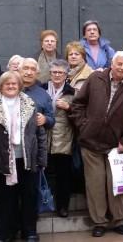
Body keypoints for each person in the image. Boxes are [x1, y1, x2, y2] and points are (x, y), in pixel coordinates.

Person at [69, 51, 123, 237]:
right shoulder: (95, 78)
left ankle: (118, 220)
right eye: (120, 64)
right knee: (95, 185)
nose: (122, 68)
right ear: (112, 63)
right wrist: (83, 126)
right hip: (90, 142)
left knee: (117, 185)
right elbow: (77, 104)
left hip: (116, 146)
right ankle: (99, 222)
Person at [0, 71, 47, 242]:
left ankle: (30, 232)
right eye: (7, 84)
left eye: (14, 84)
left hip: (27, 160)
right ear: (0, 86)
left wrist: (41, 158)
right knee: (4, 200)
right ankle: (3, 234)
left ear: (20, 86)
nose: (11, 86)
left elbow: (39, 133)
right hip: (2, 161)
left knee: (29, 198)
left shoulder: (30, 103)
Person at [42, 59, 76, 218]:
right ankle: (44, 203)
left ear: (66, 75)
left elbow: (79, 115)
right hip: (43, 137)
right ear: (50, 73)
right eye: (54, 72)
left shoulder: (72, 92)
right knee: (45, 173)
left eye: (60, 72)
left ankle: (63, 206)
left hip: (64, 138)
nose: (57, 75)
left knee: (63, 175)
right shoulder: (41, 89)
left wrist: (69, 108)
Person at [20, 58, 56, 130]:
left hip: (33, 138)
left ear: (37, 74)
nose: (29, 72)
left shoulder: (44, 95)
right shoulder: (9, 89)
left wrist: (45, 119)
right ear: (19, 71)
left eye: (33, 69)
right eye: (26, 68)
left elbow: (52, 120)